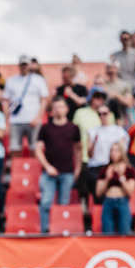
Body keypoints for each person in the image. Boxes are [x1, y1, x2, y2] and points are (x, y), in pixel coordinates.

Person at [35, 97, 80, 231]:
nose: (58, 110)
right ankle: (45, 231)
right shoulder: (45, 128)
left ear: (66, 109)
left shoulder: (73, 128)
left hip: (67, 172)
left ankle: (61, 230)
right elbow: (38, 150)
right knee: (45, 203)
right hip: (49, 173)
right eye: (55, 107)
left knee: (63, 205)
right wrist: (47, 166)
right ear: (51, 111)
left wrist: (78, 168)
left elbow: (78, 149)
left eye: (61, 107)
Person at [2, 55, 49, 154]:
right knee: (14, 149)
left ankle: (34, 170)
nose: (24, 67)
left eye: (25, 64)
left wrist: (37, 118)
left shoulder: (38, 80)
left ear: (29, 65)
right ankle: (16, 169)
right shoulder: (11, 81)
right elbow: (5, 101)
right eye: (22, 65)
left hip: (33, 120)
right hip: (15, 121)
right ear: (19, 65)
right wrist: (6, 121)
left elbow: (44, 100)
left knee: (35, 149)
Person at [96, 142, 135, 234]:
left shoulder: (129, 170)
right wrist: (107, 179)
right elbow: (98, 192)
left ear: (121, 152)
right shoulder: (104, 169)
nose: (114, 153)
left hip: (123, 202)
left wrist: (122, 176)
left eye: (116, 150)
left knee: (125, 233)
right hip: (108, 202)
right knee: (107, 234)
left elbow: (130, 191)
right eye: (112, 151)